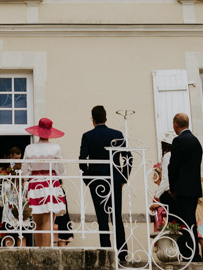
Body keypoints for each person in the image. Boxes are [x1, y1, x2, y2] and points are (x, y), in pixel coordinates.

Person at [79, 105, 131, 262]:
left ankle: (106, 253)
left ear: (92, 119)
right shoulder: (116, 134)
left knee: (102, 218)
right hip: (114, 180)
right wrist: (123, 178)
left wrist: (88, 180)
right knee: (117, 217)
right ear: (106, 118)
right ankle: (122, 254)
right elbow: (128, 157)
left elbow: (82, 161)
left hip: (97, 181)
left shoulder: (88, 136)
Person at [23, 117, 67, 247]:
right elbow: (61, 170)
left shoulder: (29, 148)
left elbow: (25, 172)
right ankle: (47, 252)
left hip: (35, 183)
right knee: (48, 219)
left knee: (37, 220)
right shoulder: (55, 148)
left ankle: (39, 250)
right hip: (50, 183)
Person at [167, 112, 202, 261]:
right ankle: (193, 253)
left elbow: (173, 166)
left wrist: (172, 188)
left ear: (176, 125)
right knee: (191, 222)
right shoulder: (196, 141)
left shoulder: (179, 141)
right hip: (194, 189)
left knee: (185, 223)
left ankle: (191, 255)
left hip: (182, 189)